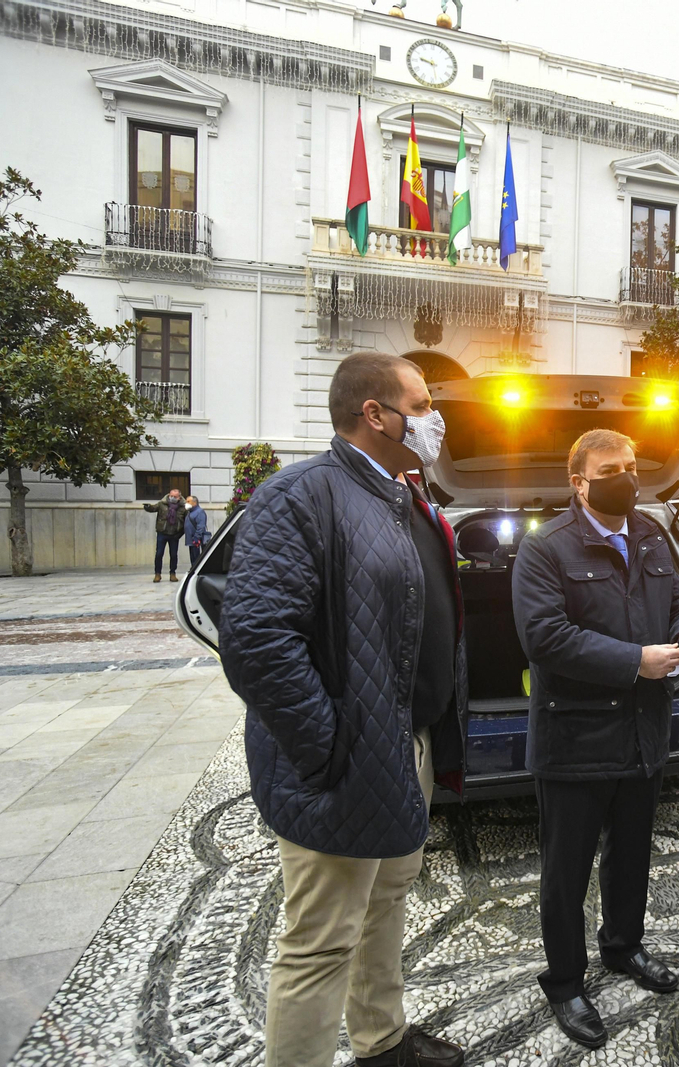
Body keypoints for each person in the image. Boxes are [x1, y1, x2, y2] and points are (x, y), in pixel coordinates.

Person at [218, 351, 467, 1067]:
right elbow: (258, 640)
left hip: (401, 746)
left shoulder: (403, 493)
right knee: (321, 937)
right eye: (422, 404)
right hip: (343, 760)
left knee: (388, 899)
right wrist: (326, 746)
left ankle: (381, 1039)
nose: (433, 418)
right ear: (375, 413)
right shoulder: (300, 494)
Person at [512, 428, 679, 1049]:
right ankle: (566, 981)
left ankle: (623, 948)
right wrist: (637, 659)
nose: (626, 478)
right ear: (578, 481)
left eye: (632, 466)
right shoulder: (545, 548)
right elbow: (545, 638)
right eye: (611, 469)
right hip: (576, 738)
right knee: (566, 869)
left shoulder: (654, 535)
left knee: (632, 855)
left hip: (642, 734)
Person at [143, 488, 186, 583]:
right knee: (159, 554)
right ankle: (157, 574)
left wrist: (180, 533)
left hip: (174, 534)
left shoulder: (183, 507)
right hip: (162, 532)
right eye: (171, 496)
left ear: (179, 497)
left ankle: (172, 574)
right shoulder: (162, 504)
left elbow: (186, 522)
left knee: (173, 555)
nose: (172, 498)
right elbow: (153, 508)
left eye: (175, 497)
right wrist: (148, 507)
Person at [184, 495, 209, 570]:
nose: (186, 503)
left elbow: (201, 526)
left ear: (194, 503)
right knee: (193, 557)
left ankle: (197, 570)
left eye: (188, 501)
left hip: (196, 540)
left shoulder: (199, 512)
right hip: (191, 540)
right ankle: (194, 568)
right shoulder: (190, 512)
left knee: (197, 558)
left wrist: (197, 537)